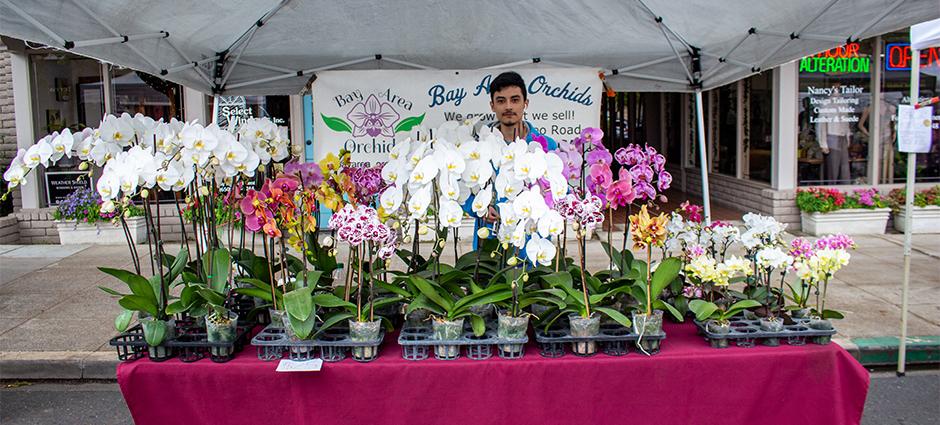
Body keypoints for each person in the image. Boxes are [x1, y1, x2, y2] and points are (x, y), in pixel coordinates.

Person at [466, 71, 557, 250]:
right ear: (492, 106)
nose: (508, 106)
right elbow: (463, 189)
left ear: (525, 104)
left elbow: (556, 191)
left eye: (515, 100)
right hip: (491, 237)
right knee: (488, 277)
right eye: (501, 101)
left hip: (532, 239)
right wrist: (477, 208)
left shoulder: (545, 145)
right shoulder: (479, 147)